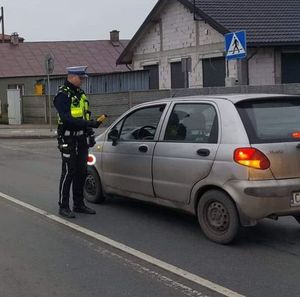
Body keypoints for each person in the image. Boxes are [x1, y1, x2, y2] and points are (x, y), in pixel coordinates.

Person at [53, 66, 101, 219]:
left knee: (82, 171)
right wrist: (88, 124)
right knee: (69, 172)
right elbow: (66, 119)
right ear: (71, 76)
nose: (82, 81)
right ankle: (63, 206)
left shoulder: (80, 94)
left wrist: (90, 132)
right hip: (68, 138)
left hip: (81, 139)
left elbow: (84, 115)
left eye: (83, 79)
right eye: (81, 78)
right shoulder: (63, 95)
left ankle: (79, 204)